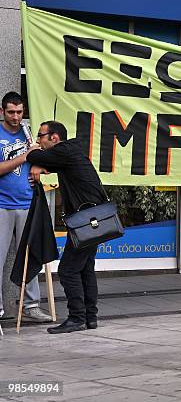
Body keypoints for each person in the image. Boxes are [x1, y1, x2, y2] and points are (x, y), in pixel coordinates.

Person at [27, 121, 107, 334]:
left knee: (68, 269)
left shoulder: (64, 150)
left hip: (86, 220)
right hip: (94, 219)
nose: (38, 141)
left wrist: (34, 155)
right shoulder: (69, 152)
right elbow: (48, 164)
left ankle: (76, 317)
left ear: (54, 137)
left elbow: (34, 157)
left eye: (41, 136)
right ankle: (90, 318)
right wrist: (41, 166)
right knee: (86, 268)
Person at [0, 92, 53, 323]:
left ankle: (31, 305)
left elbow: (48, 161)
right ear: (2, 112)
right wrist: (25, 157)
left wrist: (39, 167)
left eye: (19, 112)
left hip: (27, 202)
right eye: (11, 112)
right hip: (2, 204)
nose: (16, 116)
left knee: (30, 257)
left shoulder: (28, 132)